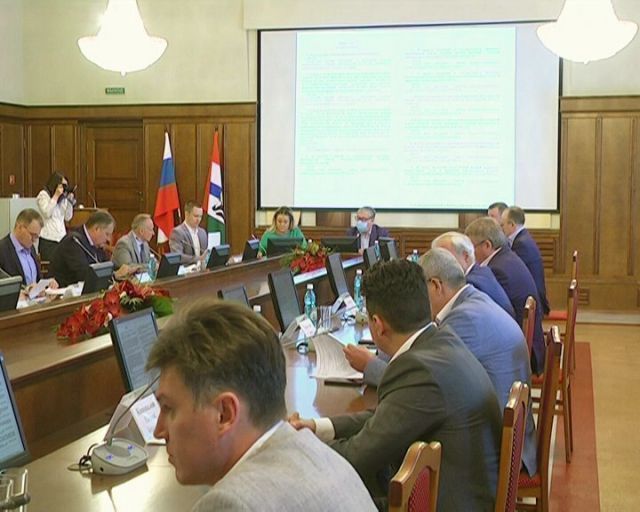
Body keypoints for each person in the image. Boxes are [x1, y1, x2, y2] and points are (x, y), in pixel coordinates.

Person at [290, 260, 502, 511]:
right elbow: (386, 417)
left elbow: (358, 457)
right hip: (462, 491)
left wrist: (301, 450)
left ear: (378, 325)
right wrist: (318, 428)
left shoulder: (418, 370)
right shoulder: (441, 339)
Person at [146, 299, 376, 512]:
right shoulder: (318, 453)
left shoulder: (230, 504)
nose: (159, 430)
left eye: (168, 409)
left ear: (224, 414)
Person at [465, 217, 544, 373]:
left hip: (523, 355)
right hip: (529, 344)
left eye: (471, 248)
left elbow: (492, 320)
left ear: (487, 245)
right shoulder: (506, 258)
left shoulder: (496, 270)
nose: (469, 254)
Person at [431, 231, 515, 318]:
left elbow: (455, 319)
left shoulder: (470, 284)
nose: (439, 264)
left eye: (445, 258)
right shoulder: (482, 271)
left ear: (465, 257)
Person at [49, 210, 132, 287]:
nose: (109, 239)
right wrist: (115, 275)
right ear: (96, 229)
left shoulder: (97, 244)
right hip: (65, 294)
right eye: (107, 234)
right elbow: (83, 275)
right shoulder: (73, 241)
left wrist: (121, 271)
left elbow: (105, 267)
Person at [501, 206, 550, 315]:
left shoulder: (521, 244)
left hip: (533, 303)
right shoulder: (523, 238)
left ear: (512, 224)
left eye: (502, 225)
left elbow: (513, 276)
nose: (501, 228)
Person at [0, 208, 58, 292]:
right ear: (19, 227)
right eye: (32, 235)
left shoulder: (31, 248)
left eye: (37, 236)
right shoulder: (2, 249)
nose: (34, 240)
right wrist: (24, 291)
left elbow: (37, 281)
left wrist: (46, 284)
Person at [36, 171, 75, 261]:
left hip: (61, 238)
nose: (63, 189)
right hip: (48, 238)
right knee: (50, 265)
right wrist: (56, 196)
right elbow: (47, 213)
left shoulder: (63, 198)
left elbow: (67, 217)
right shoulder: (43, 195)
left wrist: (69, 203)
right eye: (62, 186)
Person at [169, 201, 208, 265]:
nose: (198, 219)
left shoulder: (202, 232)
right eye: (196, 216)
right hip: (186, 270)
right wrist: (198, 258)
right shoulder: (177, 232)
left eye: (200, 216)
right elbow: (177, 257)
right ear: (187, 214)